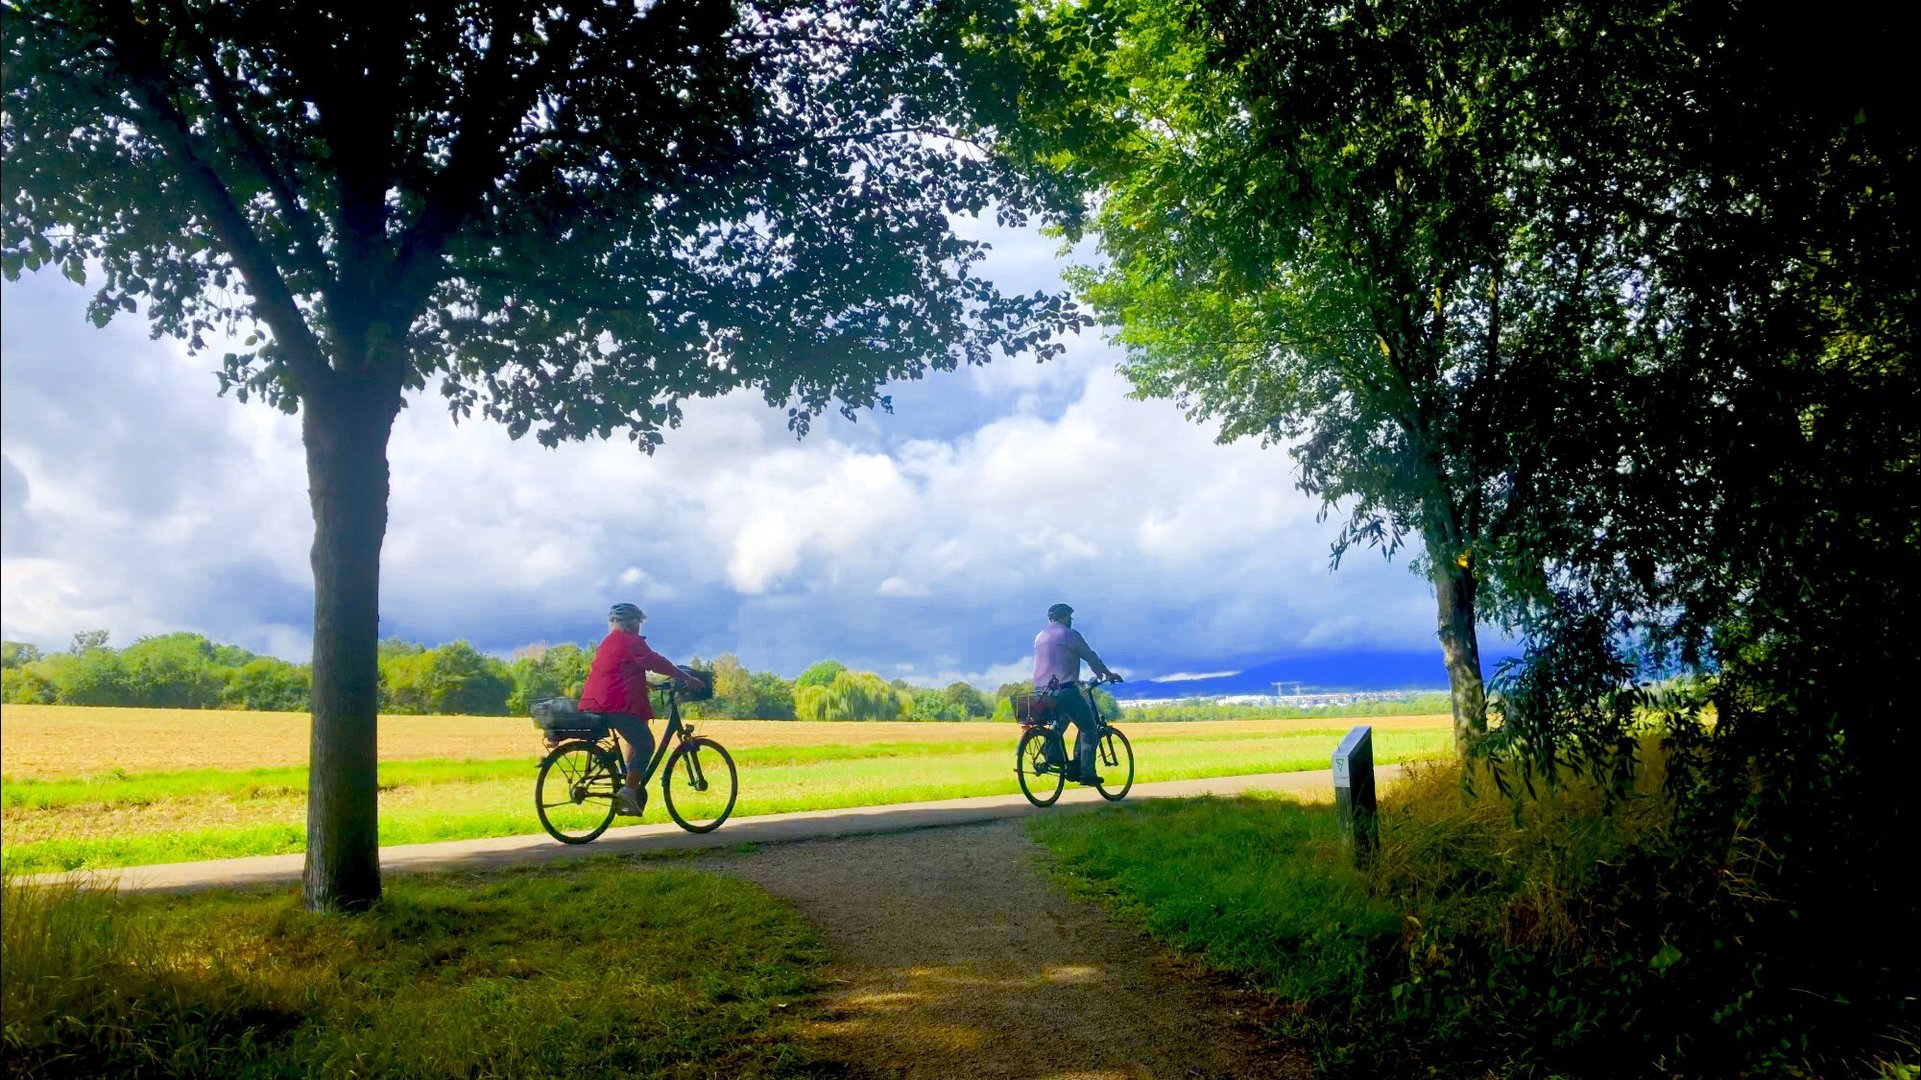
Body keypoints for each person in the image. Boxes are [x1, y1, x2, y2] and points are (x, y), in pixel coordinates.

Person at [578, 602, 704, 816]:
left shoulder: (609, 642)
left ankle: (629, 778)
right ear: (633, 623)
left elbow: (615, 670)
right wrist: (686, 677)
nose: (639, 627)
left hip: (595, 701)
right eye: (638, 622)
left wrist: (644, 683)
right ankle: (628, 791)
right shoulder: (631, 642)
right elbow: (656, 662)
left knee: (635, 736)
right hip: (614, 704)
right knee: (645, 744)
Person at [1032, 602, 1120, 785]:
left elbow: (1054, 662)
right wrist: (1105, 673)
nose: (1071, 620)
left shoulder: (1040, 636)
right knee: (1088, 728)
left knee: (1060, 722)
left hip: (1041, 692)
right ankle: (1086, 773)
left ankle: (1052, 757)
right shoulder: (1070, 634)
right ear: (1064, 617)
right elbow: (1090, 656)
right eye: (1069, 617)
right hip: (1064, 690)